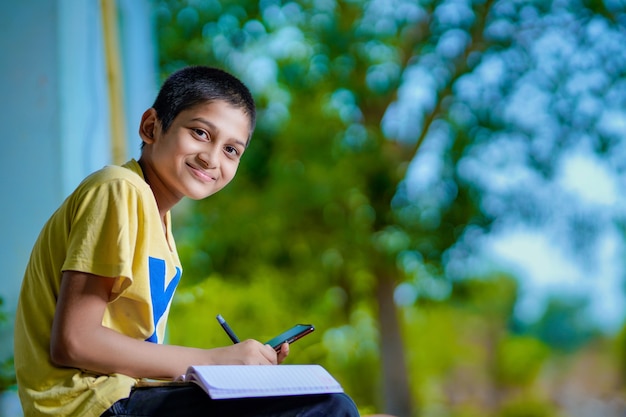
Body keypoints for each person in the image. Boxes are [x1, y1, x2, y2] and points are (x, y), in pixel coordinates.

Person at [14, 66, 360, 417]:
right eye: (200, 132)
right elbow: (75, 341)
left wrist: (233, 368)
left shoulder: (159, 227)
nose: (211, 158)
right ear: (151, 127)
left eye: (231, 150)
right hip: (89, 405)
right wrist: (213, 361)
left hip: (122, 397)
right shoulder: (119, 188)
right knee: (326, 408)